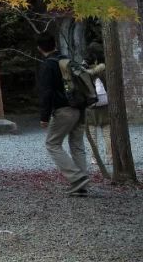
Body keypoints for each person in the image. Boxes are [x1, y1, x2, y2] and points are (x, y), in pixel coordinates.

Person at [36, 33, 89, 195]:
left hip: (64, 110)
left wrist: (44, 117)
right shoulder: (67, 60)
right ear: (55, 45)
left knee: (52, 144)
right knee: (77, 145)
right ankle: (82, 185)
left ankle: (77, 178)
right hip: (80, 108)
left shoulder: (48, 65)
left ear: (39, 48)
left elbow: (47, 92)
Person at [86, 42, 111, 165]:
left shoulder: (84, 70)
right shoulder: (105, 69)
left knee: (92, 135)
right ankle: (110, 157)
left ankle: (94, 159)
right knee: (107, 133)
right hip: (105, 104)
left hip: (91, 105)